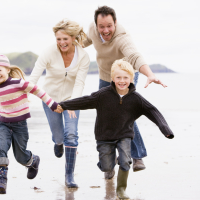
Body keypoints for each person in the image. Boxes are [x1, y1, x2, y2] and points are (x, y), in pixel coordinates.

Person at [58, 59, 174, 199]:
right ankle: (108, 163)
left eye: (126, 78)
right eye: (118, 77)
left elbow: (152, 111)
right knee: (107, 167)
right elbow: (85, 100)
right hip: (104, 137)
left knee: (125, 161)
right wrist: (63, 105)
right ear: (112, 78)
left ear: (131, 79)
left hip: (124, 135)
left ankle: (121, 190)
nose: (122, 81)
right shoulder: (102, 95)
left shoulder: (136, 99)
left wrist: (165, 129)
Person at [83, 5, 167, 176]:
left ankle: (137, 156)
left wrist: (149, 74)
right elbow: (83, 41)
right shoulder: (92, 29)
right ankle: (108, 160)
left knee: (123, 113)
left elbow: (135, 56)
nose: (106, 30)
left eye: (109, 26)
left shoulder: (122, 37)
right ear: (96, 25)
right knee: (105, 116)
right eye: (102, 26)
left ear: (115, 23)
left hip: (126, 75)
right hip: (105, 75)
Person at [29, 19, 90, 188]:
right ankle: (58, 143)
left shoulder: (83, 56)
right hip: (50, 100)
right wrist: (22, 93)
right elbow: (34, 78)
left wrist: (73, 103)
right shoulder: (48, 52)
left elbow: (80, 83)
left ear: (73, 38)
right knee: (59, 136)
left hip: (72, 99)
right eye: (58, 39)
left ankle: (69, 176)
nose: (62, 43)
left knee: (71, 134)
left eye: (65, 39)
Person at [0, 55, 59, 194]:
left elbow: (38, 91)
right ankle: (2, 181)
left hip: (19, 125)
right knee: (0, 149)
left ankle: (33, 161)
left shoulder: (18, 83)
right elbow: (4, 106)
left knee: (20, 156)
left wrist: (51, 104)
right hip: (4, 124)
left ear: (7, 69)